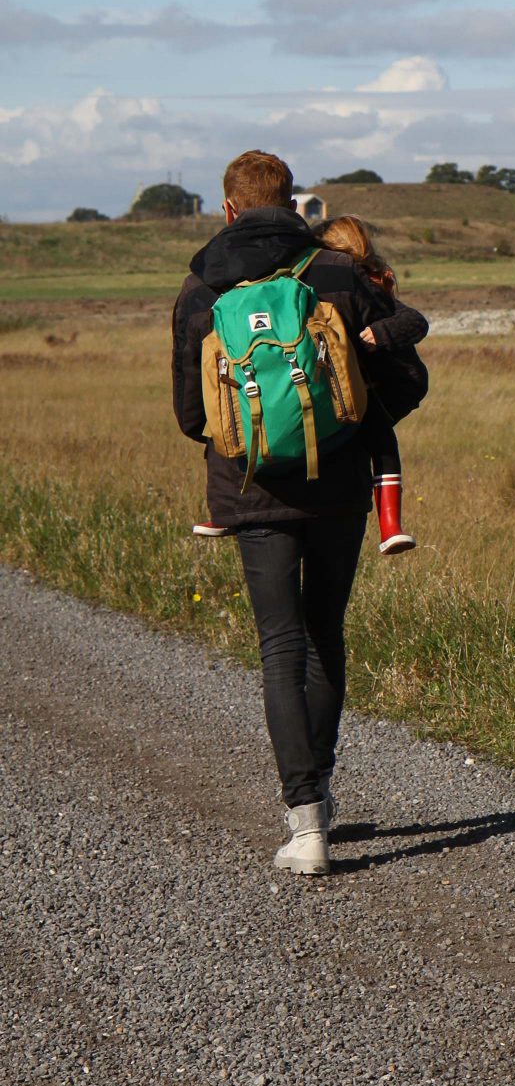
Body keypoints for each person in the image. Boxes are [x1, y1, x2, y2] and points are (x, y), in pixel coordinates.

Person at [172, 151, 428, 877]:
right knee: (325, 633)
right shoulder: (338, 274)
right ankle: (320, 784)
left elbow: (192, 416)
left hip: (251, 492)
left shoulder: (199, 286)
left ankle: (305, 822)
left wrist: (250, 435)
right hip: (342, 481)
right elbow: (404, 375)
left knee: (280, 645)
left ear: (226, 210)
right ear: (294, 205)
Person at [314, 213, 428, 556]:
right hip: (363, 391)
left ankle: (390, 526)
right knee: (381, 443)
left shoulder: (351, 279)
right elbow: (416, 322)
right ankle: (390, 525)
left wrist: (380, 329)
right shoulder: (362, 279)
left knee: (379, 438)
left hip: (349, 389)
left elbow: (413, 321)